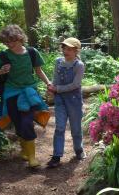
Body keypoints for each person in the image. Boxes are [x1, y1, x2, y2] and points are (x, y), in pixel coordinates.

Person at [0, 24, 51, 167]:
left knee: (26, 122)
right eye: (7, 42)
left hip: (29, 93)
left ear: (20, 38)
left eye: (13, 41)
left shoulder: (32, 52)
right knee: (18, 123)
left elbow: (38, 70)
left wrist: (48, 83)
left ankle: (32, 158)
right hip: (11, 94)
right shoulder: (2, 56)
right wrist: (1, 71)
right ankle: (24, 150)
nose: (10, 44)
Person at [46, 37, 85, 168]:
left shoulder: (79, 65)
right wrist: (52, 88)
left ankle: (78, 150)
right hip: (60, 100)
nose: (65, 51)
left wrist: (58, 89)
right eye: (64, 48)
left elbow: (76, 84)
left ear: (76, 51)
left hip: (74, 100)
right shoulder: (58, 61)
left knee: (75, 127)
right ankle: (57, 156)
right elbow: (55, 78)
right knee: (59, 127)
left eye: (69, 49)